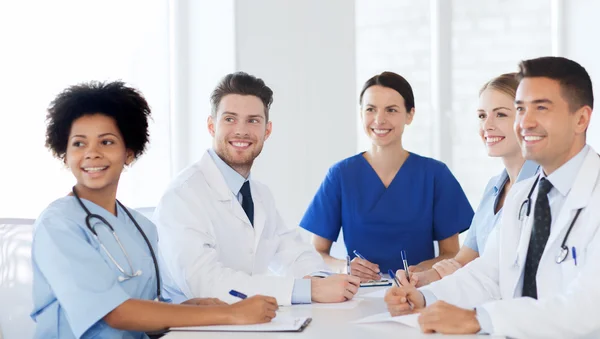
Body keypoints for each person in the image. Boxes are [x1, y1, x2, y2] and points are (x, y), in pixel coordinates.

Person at [31, 81, 278, 339]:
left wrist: (185, 309)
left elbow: (145, 317)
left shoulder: (140, 226)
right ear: (64, 153)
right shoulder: (58, 224)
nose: (92, 154)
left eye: (106, 142)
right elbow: (116, 313)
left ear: (129, 153)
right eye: (79, 144)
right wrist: (232, 314)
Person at [385, 56, 600, 338]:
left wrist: (481, 319)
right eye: (521, 109)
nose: (526, 122)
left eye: (541, 108)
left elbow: (589, 309)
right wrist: (425, 296)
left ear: (581, 118)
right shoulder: (524, 195)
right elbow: (488, 273)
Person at [154, 72, 360, 306]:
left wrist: (319, 279)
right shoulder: (182, 195)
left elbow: (291, 251)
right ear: (212, 126)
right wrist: (307, 290)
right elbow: (204, 282)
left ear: (267, 130)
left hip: (247, 321)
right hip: (195, 328)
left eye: (253, 120)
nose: (241, 131)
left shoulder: (259, 194)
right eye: (230, 119)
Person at [299, 71, 474, 281]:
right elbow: (317, 253)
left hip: (418, 291)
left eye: (391, 110)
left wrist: (423, 271)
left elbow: (451, 253)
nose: (379, 119)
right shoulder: (341, 175)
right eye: (371, 109)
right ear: (361, 113)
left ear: (410, 115)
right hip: (355, 295)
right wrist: (344, 268)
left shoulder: (435, 175)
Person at [408, 73, 538, 287]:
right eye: (481, 116)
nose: (487, 125)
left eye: (501, 115)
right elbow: (462, 261)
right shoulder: (493, 188)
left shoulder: (545, 187)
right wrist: (421, 279)